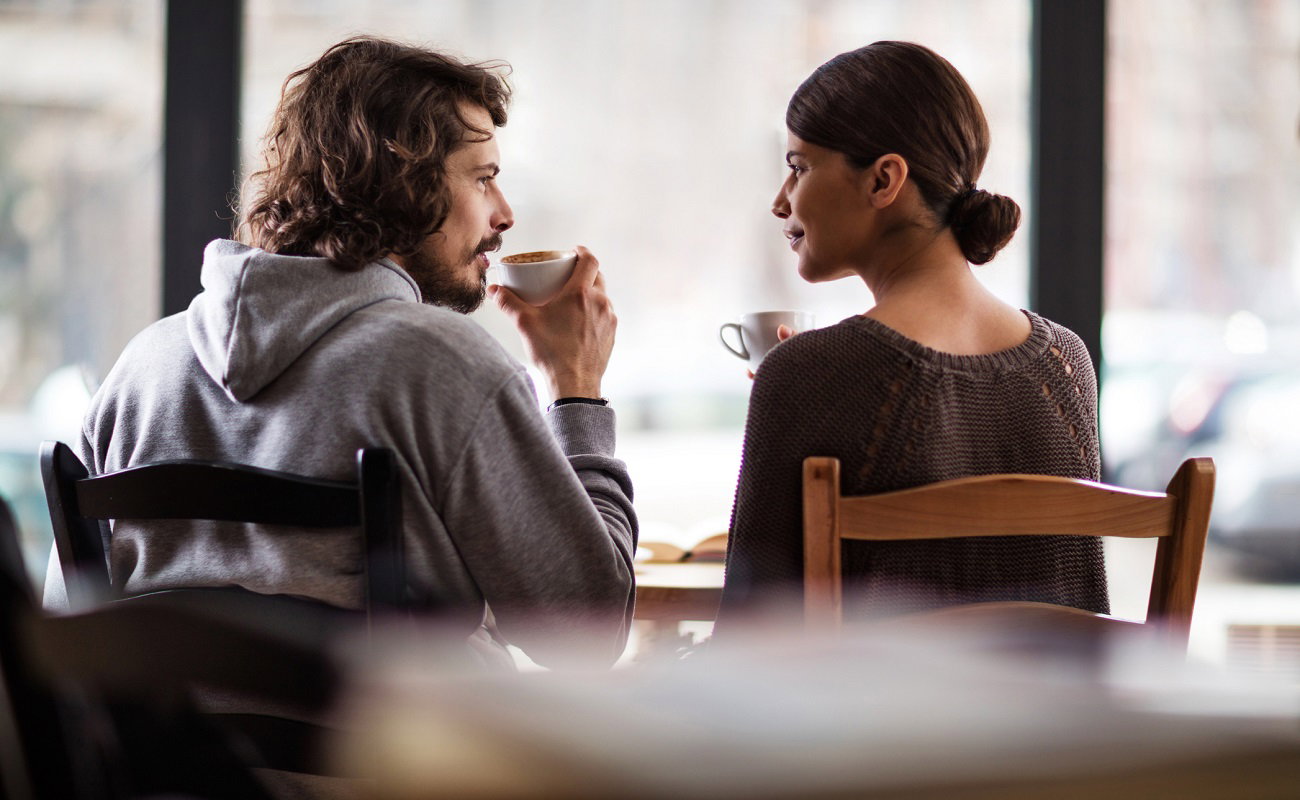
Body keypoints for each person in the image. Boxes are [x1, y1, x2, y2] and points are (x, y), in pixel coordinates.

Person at [42, 36, 637, 671]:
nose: (505, 213)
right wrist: (575, 387)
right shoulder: (444, 365)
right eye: (484, 179)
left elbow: (64, 628)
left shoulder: (141, 368)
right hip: (400, 769)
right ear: (407, 179)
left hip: (166, 769)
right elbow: (585, 634)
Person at [715, 41, 1108, 632]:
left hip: (886, 726)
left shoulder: (808, 372)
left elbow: (750, 642)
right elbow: (1082, 613)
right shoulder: (1066, 364)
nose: (780, 201)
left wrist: (797, 392)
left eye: (798, 167)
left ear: (883, 180)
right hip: (1057, 724)